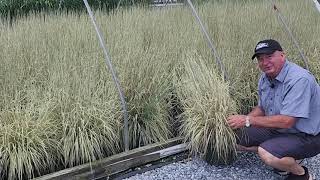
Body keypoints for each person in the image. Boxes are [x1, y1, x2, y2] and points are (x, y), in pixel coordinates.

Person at [227, 39, 320, 180]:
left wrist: (247, 120)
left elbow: (287, 121)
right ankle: (285, 154)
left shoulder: (299, 79)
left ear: (282, 55)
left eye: (269, 57)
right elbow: (262, 108)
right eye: (260, 59)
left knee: (266, 152)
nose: (265, 62)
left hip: (307, 136)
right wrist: (242, 122)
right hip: (280, 130)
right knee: (236, 136)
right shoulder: (265, 78)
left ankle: (301, 173)